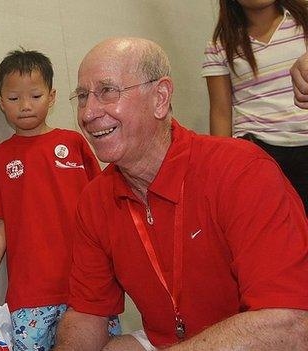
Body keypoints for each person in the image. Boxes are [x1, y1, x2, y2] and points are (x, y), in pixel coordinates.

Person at [53, 37, 308, 350]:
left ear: (160, 97)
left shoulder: (241, 170)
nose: (88, 113)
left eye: (107, 91)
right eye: (82, 96)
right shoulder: (95, 200)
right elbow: (87, 313)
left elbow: (290, 324)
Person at [0, 49, 120, 350]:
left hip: (88, 287)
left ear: (51, 97)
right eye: (14, 99)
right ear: (1, 102)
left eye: (35, 96)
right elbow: (1, 224)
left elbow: (104, 206)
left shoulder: (74, 143)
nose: (25, 106)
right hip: (30, 295)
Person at [201, 0, 308, 213]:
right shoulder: (220, 45)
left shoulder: (303, 21)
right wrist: (220, 171)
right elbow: (221, 112)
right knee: (278, 231)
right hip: (260, 151)